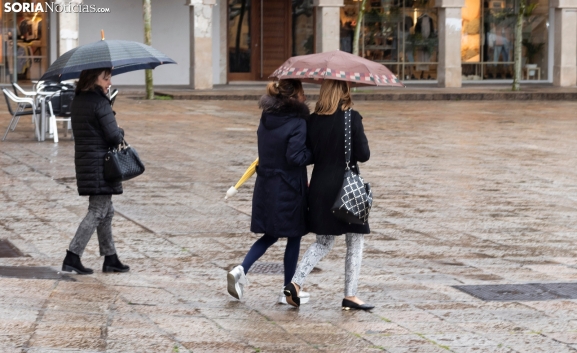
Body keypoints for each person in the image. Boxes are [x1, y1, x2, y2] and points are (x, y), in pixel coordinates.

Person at [283, 79, 374, 310]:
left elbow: (309, 154)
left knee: (323, 243)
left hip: (320, 189)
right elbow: (364, 154)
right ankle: (350, 295)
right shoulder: (351, 117)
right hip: (346, 190)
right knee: (355, 243)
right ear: (345, 90)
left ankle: (295, 283)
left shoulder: (312, 120)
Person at [227, 79, 312, 304]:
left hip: (266, 184)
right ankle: (289, 290)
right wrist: (313, 154)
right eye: (303, 92)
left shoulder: (267, 117)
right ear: (295, 96)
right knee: (294, 235)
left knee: (271, 234)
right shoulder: (298, 122)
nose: (306, 95)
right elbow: (295, 157)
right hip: (289, 187)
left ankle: (240, 269)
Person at [61, 67, 130, 275]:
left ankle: (111, 258)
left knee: (106, 210)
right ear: (94, 80)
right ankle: (72, 255)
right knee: (98, 210)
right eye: (105, 79)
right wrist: (119, 129)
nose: (109, 83)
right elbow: (113, 136)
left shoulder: (79, 100)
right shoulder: (100, 103)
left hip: (87, 161)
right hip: (101, 163)